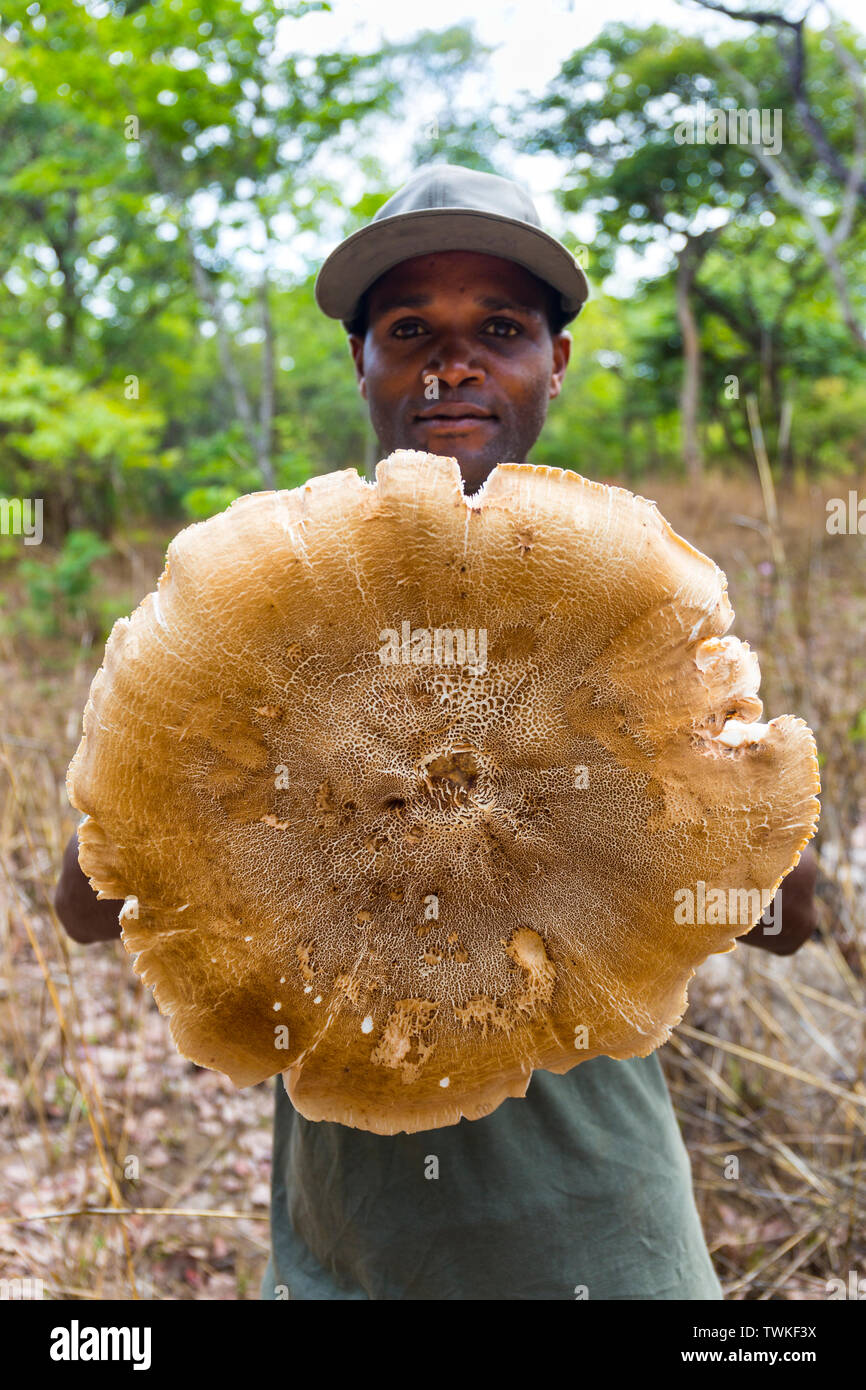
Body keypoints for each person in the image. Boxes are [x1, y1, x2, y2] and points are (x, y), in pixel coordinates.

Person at [55, 164, 819, 1301]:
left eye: (498, 329)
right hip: (347, 1243)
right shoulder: (268, 598)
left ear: (553, 360)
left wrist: (668, 792)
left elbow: (781, 918)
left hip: (601, 1244)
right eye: (410, 329)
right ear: (360, 360)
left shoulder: (619, 595)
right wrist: (172, 754)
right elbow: (84, 906)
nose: (450, 362)